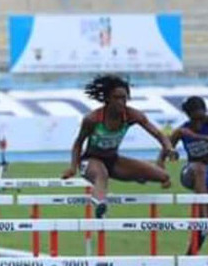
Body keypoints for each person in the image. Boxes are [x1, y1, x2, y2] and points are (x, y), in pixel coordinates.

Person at [61, 74, 176, 218]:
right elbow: (78, 144)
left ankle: (140, 173)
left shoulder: (132, 115)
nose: (122, 102)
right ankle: (100, 204)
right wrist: (73, 167)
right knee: (102, 174)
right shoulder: (92, 119)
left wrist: (169, 148)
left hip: (113, 160)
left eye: (124, 98)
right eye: (117, 98)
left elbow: (158, 133)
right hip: (90, 161)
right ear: (107, 98)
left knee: (163, 176)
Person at [169, 95, 208, 266]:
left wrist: (196, 136)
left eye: (201, 118)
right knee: (199, 168)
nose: (198, 122)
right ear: (188, 116)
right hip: (192, 173)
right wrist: (164, 160)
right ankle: (204, 217)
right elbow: (166, 146)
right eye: (194, 119)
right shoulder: (181, 130)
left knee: (201, 233)